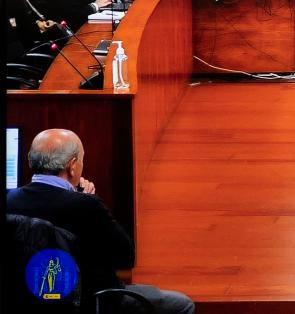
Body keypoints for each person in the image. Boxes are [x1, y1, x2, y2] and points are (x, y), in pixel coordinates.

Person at [6, 128, 195, 314]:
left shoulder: (9, 201)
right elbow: (125, 256)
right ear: (72, 165)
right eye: (81, 160)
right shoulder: (86, 205)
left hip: (23, 302)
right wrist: (89, 200)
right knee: (182, 304)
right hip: (92, 300)